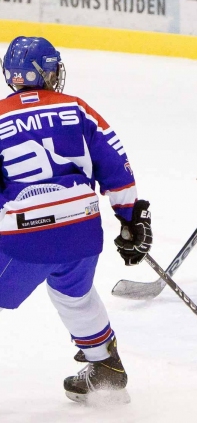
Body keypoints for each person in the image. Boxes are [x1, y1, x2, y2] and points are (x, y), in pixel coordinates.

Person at [0, 36, 152, 403]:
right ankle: (105, 367)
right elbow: (116, 165)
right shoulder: (77, 108)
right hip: (82, 232)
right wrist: (131, 220)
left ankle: (104, 365)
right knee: (73, 292)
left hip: (24, 239)